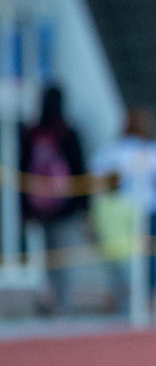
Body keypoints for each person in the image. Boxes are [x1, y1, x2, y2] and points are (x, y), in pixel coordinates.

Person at [91, 104, 156, 309]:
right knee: (127, 256)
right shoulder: (118, 150)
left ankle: (147, 297)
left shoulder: (153, 150)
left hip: (151, 208)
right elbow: (98, 176)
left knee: (149, 257)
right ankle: (129, 298)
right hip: (126, 210)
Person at [20, 85, 88, 314]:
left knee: (48, 256)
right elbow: (79, 170)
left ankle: (53, 299)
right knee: (63, 256)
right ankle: (62, 303)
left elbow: (24, 172)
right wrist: (84, 206)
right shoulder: (67, 132)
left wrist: (25, 208)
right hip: (65, 205)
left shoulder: (33, 133)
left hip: (39, 204)